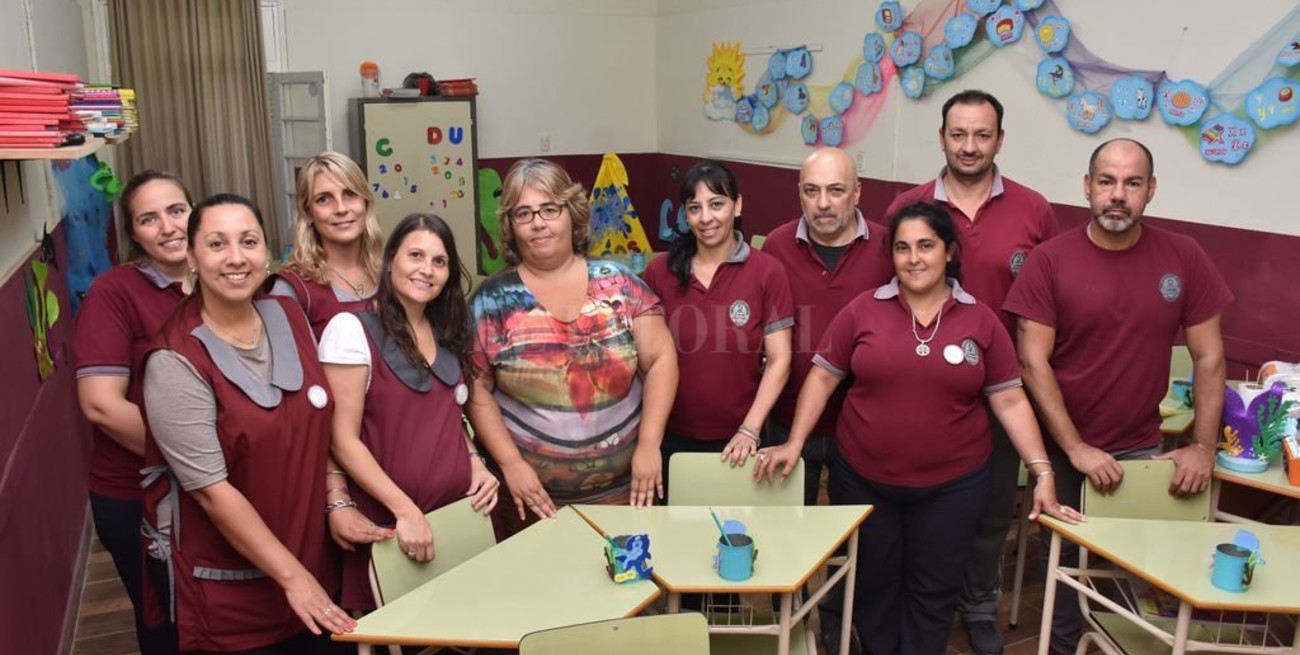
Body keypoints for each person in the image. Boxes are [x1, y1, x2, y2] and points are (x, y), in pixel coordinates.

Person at [756, 202, 1082, 655]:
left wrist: (1042, 470)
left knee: (934, 586)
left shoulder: (981, 319)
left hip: (953, 487)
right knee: (873, 581)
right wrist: (795, 442)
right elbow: (823, 376)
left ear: (949, 251)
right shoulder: (862, 310)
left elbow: (1009, 399)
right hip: (865, 480)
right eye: (902, 248)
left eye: (926, 246)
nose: (913, 259)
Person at [1003, 138, 1233, 655]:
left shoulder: (1184, 256)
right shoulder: (1049, 260)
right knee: (1066, 573)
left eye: (1132, 183)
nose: (1117, 195)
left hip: (1140, 449)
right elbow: (1032, 362)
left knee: (1134, 572)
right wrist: (1075, 448)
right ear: (1087, 187)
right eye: (1106, 181)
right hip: (1061, 449)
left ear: (1151, 190)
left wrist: (1203, 446)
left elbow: (1209, 357)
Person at [881, 89, 1058, 655]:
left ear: (999, 140)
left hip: (1003, 389)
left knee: (992, 509)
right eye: (958, 134)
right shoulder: (907, 207)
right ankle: (912, 604)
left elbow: (1048, 302)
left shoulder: (1034, 210)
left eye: (982, 135)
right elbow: (883, 297)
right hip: (922, 385)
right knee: (915, 505)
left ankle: (979, 605)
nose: (969, 146)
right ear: (941, 138)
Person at [140, 194, 354, 653]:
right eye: (217, 244)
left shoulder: (289, 316)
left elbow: (318, 434)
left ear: (266, 252)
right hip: (232, 600)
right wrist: (295, 578)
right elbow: (212, 492)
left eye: (249, 241)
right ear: (192, 257)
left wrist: (336, 498)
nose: (236, 258)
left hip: (314, 568)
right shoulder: (174, 361)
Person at [466, 158, 677, 536]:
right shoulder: (491, 301)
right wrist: (511, 462)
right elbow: (476, 388)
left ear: (571, 213)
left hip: (627, 493)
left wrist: (650, 444)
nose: (538, 222)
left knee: (623, 575)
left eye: (549, 209)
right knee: (539, 576)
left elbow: (661, 359)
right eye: (523, 213)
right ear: (511, 226)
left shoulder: (620, 283)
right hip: (531, 501)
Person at [320, 213, 500, 612]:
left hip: (458, 518)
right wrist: (406, 512)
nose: (427, 269)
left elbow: (449, 418)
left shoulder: (448, 332)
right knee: (398, 633)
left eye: (439, 261)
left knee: (467, 626)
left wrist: (475, 461)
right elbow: (341, 440)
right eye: (415, 255)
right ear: (390, 261)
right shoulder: (351, 330)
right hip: (393, 525)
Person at [759, 146, 892, 653]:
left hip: (861, 426)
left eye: (836, 190)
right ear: (799, 193)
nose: (823, 203)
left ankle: (838, 624)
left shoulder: (888, 247)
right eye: (812, 191)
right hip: (787, 421)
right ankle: (788, 624)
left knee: (851, 539)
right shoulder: (775, 246)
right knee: (784, 536)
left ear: (858, 192)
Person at [74, 170, 194, 655]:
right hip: (137, 497)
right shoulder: (114, 292)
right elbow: (101, 405)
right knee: (167, 626)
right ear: (134, 234)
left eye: (176, 211)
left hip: (216, 488)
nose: (167, 227)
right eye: (149, 219)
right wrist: (200, 460)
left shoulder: (224, 276)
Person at [642, 160, 793, 489]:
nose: (706, 218)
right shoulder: (659, 271)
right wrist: (647, 440)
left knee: (733, 522)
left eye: (716, 204)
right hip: (669, 434)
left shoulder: (768, 272)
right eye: (695, 208)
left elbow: (780, 359)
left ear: (737, 206)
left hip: (740, 439)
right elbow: (645, 358)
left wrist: (749, 429)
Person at [270, 151, 383, 338]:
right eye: (323, 199)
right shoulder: (292, 289)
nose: (341, 209)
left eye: (350, 194)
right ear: (307, 213)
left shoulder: (390, 276)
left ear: (365, 203)